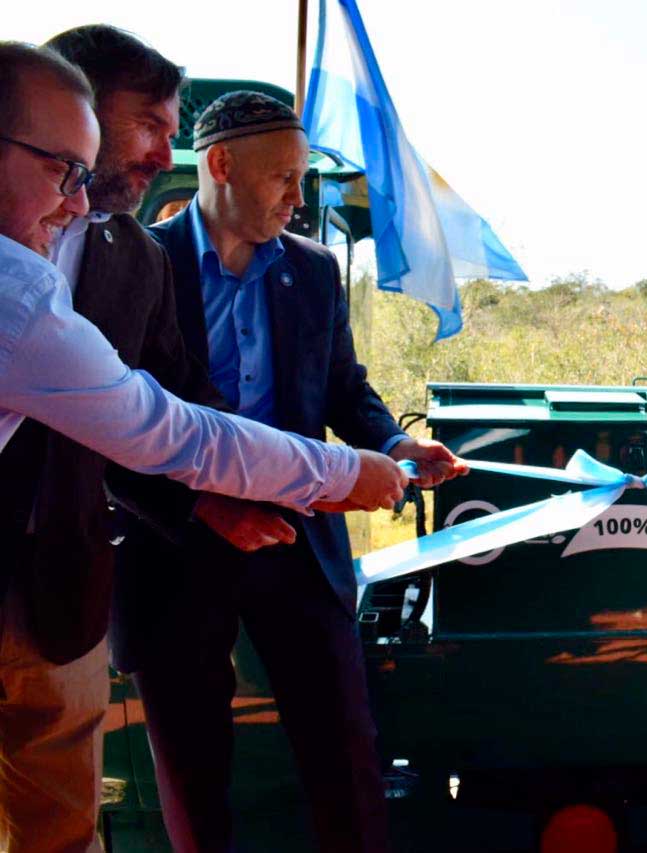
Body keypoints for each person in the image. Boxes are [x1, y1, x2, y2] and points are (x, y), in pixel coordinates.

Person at [0, 41, 408, 853]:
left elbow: (196, 403)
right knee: (189, 769)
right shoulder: (40, 283)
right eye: (148, 125)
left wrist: (373, 450)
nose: (164, 150)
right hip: (169, 555)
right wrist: (335, 473)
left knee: (62, 822)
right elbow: (164, 427)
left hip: (93, 575)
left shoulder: (136, 259)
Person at [110, 90, 465, 853]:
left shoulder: (311, 271)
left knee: (347, 757)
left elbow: (344, 390)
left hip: (300, 547)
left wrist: (396, 448)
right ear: (220, 164)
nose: (296, 200)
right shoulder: (137, 266)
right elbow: (109, 430)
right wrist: (204, 505)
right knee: (193, 777)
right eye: (283, 179)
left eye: (302, 179)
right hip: (175, 547)